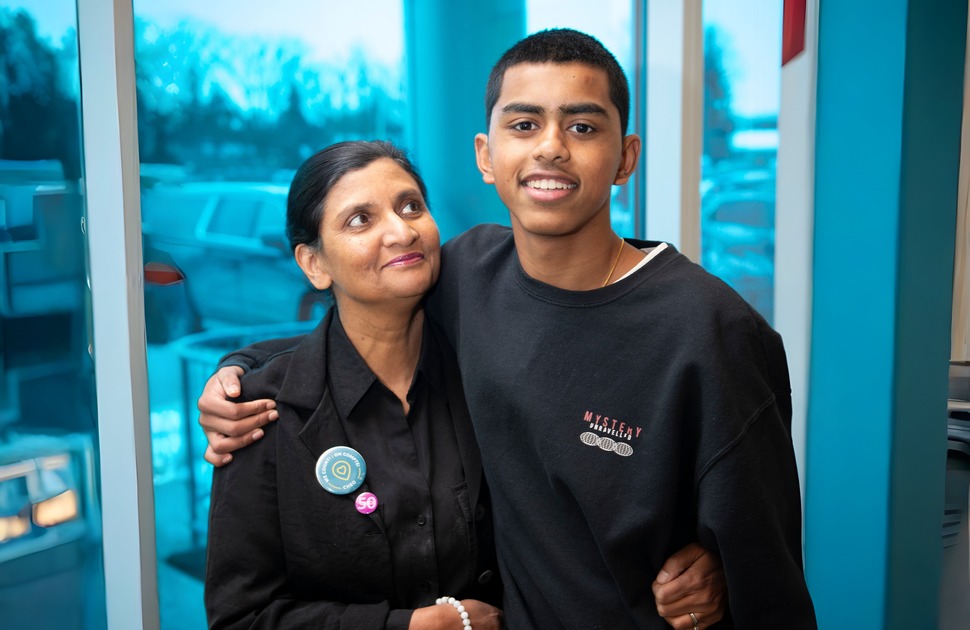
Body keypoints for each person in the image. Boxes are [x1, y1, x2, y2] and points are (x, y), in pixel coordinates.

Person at [201, 28, 815, 628]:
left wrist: (723, 577)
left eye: (582, 126)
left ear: (625, 157)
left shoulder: (713, 333)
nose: (550, 147)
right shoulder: (469, 276)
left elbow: (770, 580)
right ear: (486, 156)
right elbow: (364, 324)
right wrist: (238, 373)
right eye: (524, 125)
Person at [204, 141, 504, 629]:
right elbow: (242, 616)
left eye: (411, 206)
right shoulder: (262, 412)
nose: (401, 231)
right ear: (313, 264)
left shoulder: (483, 371)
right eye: (360, 220)